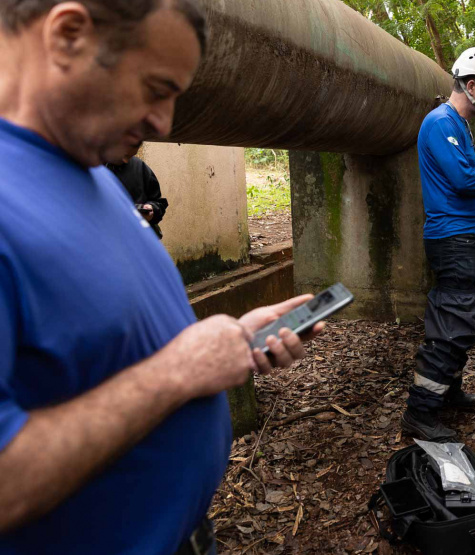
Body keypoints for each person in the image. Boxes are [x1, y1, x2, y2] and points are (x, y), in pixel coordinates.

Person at [0, 2, 324, 553]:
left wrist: (233, 342)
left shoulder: (90, 167)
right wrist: (178, 372)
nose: (163, 123)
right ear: (68, 34)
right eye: (155, 88)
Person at [401, 47, 475, 441]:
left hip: (464, 238)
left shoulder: (460, 124)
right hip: (453, 239)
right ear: (472, 86)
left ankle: (447, 391)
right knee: (455, 322)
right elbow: (464, 180)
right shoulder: (439, 122)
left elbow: (466, 173)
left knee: (461, 318)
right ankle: (420, 411)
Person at [106, 145, 169, 238]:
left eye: (131, 156)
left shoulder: (139, 166)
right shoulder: (89, 167)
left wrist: (152, 210)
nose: (126, 161)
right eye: (125, 155)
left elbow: (158, 203)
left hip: (135, 238)